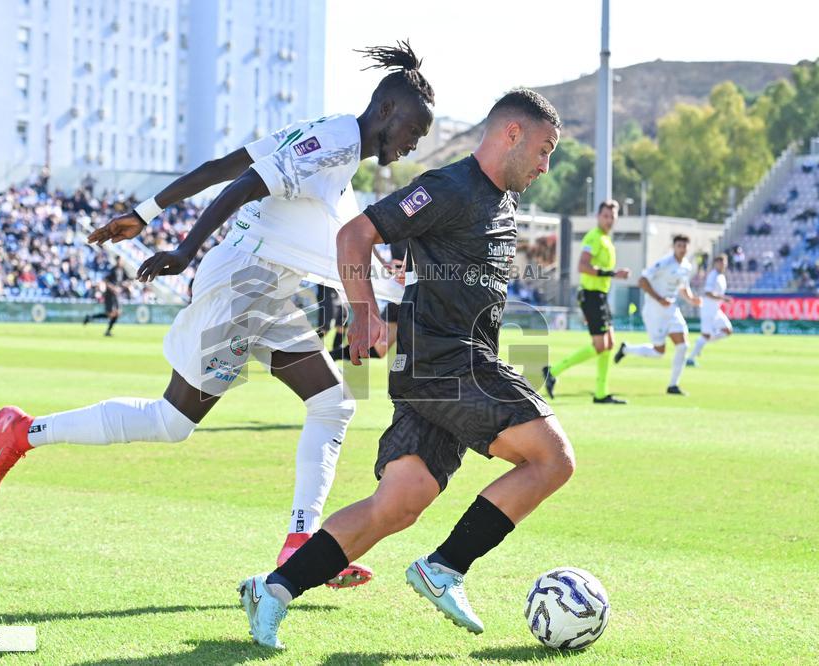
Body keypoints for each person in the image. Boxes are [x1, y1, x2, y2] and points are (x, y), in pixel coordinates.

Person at [0, 42, 435, 590]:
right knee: (170, 422)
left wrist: (145, 213)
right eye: (414, 127)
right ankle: (24, 431)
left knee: (331, 403)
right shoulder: (333, 145)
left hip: (262, 291)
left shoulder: (331, 145)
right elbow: (243, 184)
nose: (415, 141)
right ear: (385, 110)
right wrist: (183, 248)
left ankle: (301, 542)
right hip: (243, 290)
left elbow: (223, 165)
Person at [238, 89, 574, 649]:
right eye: (544, 150)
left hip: (436, 366)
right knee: (553, 458)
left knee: (400, 501)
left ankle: (272, 589)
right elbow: (355, 234)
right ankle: (445, 567)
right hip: (449, 360)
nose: (545, 166)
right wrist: (365, 313)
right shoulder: (448, 187)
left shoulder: (504, 201)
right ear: (511, 134)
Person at [543, 200, 630, 404]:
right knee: (601, 345)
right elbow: (582, 266)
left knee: (609, 343)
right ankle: (553, 371)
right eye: (606, 216)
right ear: (598, 217)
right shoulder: (594, 237)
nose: (609, 220)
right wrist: (612, 273)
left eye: (612, 216)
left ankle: (601, 393)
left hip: (599, 296)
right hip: (591, 295)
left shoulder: (606, 240)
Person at [613, 235, 701, 395]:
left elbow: (682, 287)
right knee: (658, 352)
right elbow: (642, 280)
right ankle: (626, 349)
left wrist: (691, 300)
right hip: (655, 310)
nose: (682, 249)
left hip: (672, 309)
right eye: (679, 245)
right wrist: (659, 299)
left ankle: (673, 385)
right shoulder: (664, 263)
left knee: (683, 346)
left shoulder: (686, 266)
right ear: (673, 247)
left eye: (685, 246)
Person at [687, 255, 733, 366]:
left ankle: (700, 342)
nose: (722, 265)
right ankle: (690, 359)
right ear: (715, 264)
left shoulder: (721, 276)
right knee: (706, 335)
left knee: (727, 330)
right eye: (720, 263)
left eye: (724, 263)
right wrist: (723, 298)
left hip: (715, 309)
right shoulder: (713, 275)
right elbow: (708, 293)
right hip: (708, 308)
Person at [84, 257, 127, 336]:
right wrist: (113, 288)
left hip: (116, 295)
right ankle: (105, 329)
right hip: (110, 295)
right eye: (120, 260)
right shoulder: (113, 270)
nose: (121, 262)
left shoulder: (122, 270)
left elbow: (125, 280)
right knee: (111, 314)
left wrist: (125, 285)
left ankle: (92, 319)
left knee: (117, 313)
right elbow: (105, 280)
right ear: (117, 261)